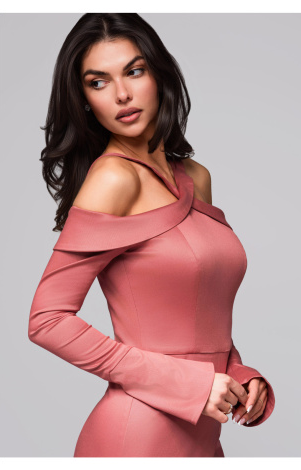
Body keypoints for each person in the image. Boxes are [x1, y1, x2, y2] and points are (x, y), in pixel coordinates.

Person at [28, 13, 275, 458]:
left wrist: (238, 372)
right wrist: (188, 384)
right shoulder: (112, 179)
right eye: (98, 82)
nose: (121, 94)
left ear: (159, 75)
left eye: (134, 71)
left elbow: (196, 317)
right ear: (84, 100)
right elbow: (47, 320)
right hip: (136, 436)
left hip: (203, 438)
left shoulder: (196, 177)